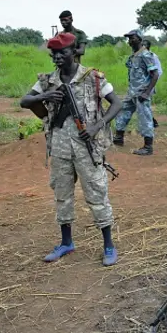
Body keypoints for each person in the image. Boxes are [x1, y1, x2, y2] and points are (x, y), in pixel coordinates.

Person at [19, 32, 123, 266]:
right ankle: (66, 242)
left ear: (73, 52)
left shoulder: (92, 77)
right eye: (53, 53)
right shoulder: (47, 81)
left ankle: (108, 245)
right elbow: (25, 101)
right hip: (59, 146)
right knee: (62, 194)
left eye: (62, 53)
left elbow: (117, 103)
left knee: (97, 193)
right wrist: (46, 95)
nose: (57, 57)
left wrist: (97, 125)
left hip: (86, 147)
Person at [113, 29, 159, 155]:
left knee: (145, 117)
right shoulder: (134, 55)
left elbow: (155, 75)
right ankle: (118, 137)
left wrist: (147, 92)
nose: (130, 41)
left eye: (132, 38)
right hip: (132, 91)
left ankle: (148, 147)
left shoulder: (145, 54)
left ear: (139, 39)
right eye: (129, 38)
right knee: (123, 112)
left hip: (141, 92)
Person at [141, 38, 162, 128]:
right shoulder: (140, 56)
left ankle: (151, 123)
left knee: (145, 105)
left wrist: (150, 82)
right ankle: (151, 122)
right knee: (143, 105)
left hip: (149, 85)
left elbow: (159, 72)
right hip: (140, 86)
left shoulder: (153, 56)